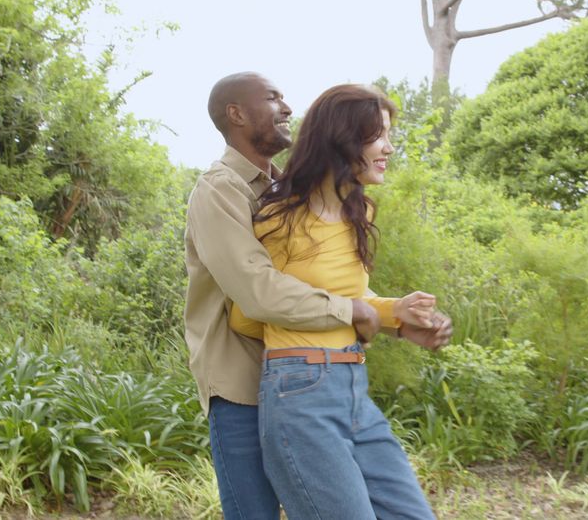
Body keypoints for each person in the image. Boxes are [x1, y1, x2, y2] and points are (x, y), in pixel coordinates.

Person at [184, 72, 452, 520]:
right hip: (240, 383)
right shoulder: (220, 190)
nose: (288, 108)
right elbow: (257, 292)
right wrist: (356, 311)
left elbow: (338, 288)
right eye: (272, 98)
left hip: (318, 376)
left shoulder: (293, 194)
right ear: (236, 114)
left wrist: (395, 316)